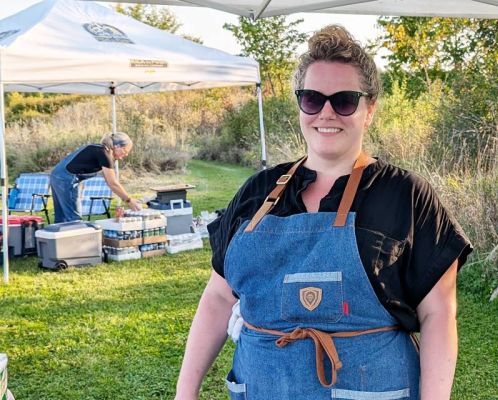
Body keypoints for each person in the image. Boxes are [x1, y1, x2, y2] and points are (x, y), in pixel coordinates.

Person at [175, 25, 472, 400]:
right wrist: (184, 393)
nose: (327, 113)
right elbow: (218, 298)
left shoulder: (406, 196)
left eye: (344, 100)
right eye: (313, 99)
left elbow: (438, 314)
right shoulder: (257, 192)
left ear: (369, 108)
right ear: (300, 104)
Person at [50, 132, 141, 223]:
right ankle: (76, 236)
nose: (126, 155)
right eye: (125, 151)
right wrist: (129, 200)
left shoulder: (99, 149)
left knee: (61, 218)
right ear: (117, 146)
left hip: (57, 176)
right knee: (73, 219)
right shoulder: (105, 154)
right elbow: (112, 183)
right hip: (65, 179)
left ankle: (56, 236)